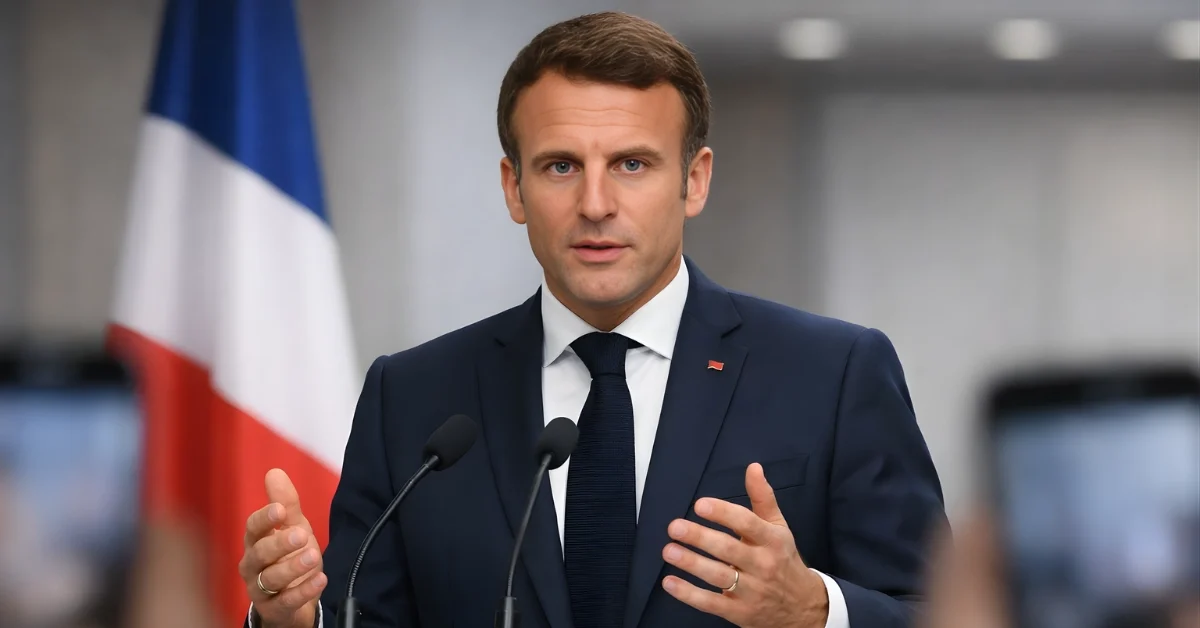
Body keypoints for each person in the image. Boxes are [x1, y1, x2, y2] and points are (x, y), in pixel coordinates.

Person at [238, 11, 947, 628]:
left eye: (633, 164)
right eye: (560, 167)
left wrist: (815, 611)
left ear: (694, 180)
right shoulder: (414, 397)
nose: (597, 203)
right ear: (513, 187)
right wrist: (295, 621)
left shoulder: (833, 374)